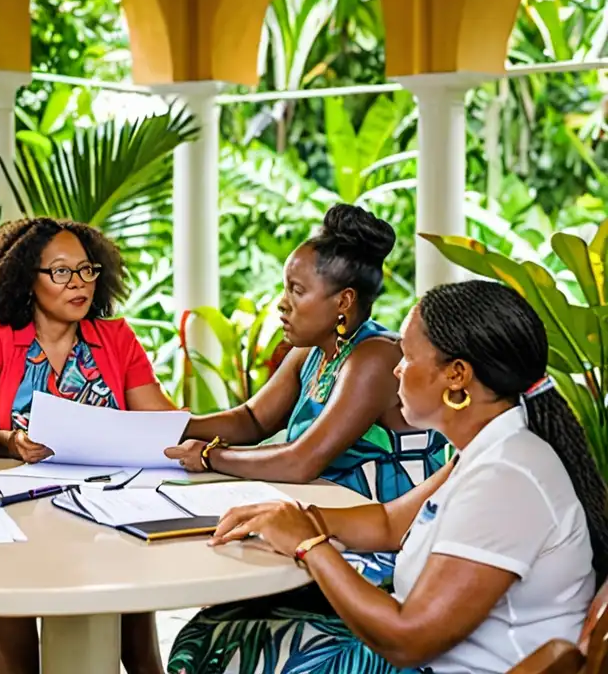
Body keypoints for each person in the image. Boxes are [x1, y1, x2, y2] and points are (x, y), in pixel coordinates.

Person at [168, 279, 608, 674]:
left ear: (457, 377)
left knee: (217, 647)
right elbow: (391, 524)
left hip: (442, 664)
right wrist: (290, 517)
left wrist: (310, 545)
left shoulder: (506, 479)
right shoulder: (486, 452)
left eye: (408, 356)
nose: (396, 368)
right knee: (219, 625)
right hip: (437, 654)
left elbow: (408, 639)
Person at [0, 218, 173, 674]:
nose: (79, 284)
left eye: (87, 270)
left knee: (141, 651)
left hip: (109, 508)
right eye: (60, 272)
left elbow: (162, 422)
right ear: (25, 281)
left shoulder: (115, 338)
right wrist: (11, 442)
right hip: (17, 511)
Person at [165, 204, 447, 509]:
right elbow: (253, 420)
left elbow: (302, 461)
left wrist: (210, 456)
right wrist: (169, 427)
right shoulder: (312, 351)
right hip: (331, 515)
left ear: (343, 301)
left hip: (391, 529)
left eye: (296, 291)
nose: (282, 305)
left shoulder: (375, 359)